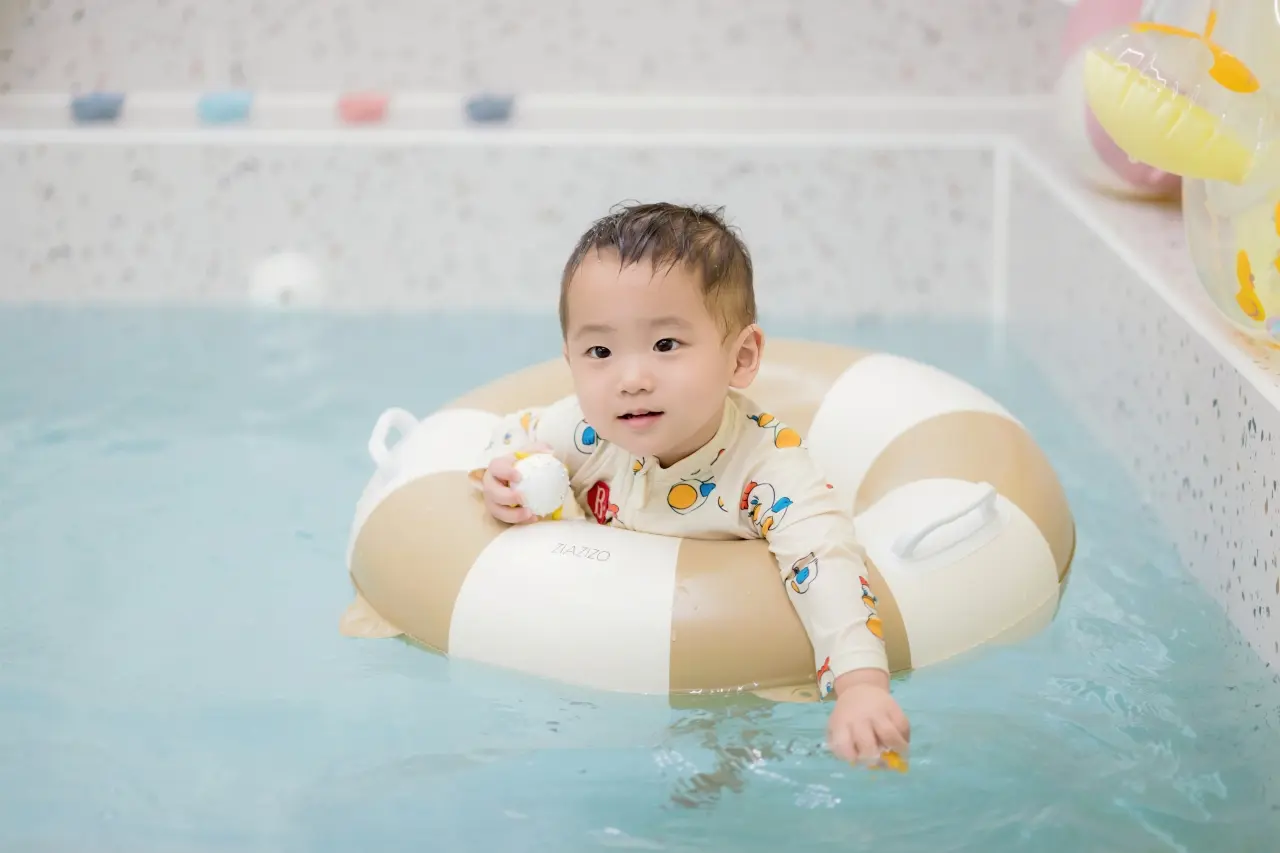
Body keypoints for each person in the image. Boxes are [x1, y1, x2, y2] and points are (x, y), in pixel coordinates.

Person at [476, 201, 910, 766]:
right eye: (600, 351)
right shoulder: (583, 432)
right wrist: (501, 476)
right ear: (571, 360)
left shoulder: (767, 469)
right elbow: (511, 435)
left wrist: (861, 688)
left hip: (730, 684)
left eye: (665, 345)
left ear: (742, 357)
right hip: (601, 666)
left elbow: (825, 560)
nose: (632, 379)